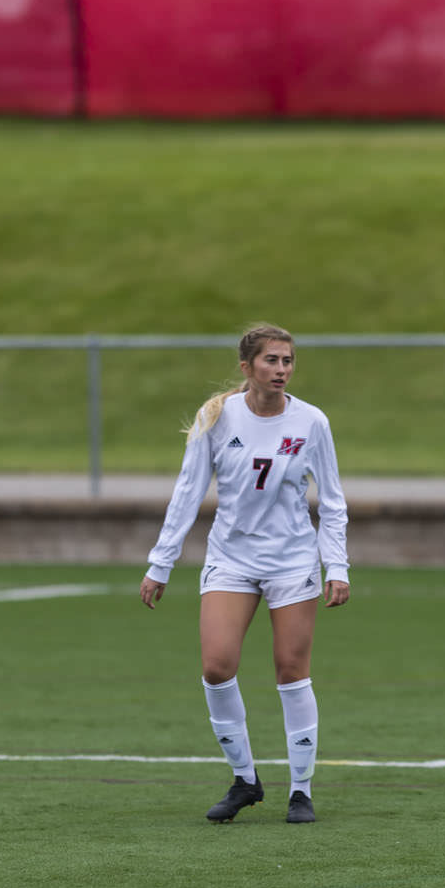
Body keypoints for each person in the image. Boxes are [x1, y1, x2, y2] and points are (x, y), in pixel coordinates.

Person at [139, 324, 349, 825]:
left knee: (291, 671)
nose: (282, 370)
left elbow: (334, 501)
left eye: (288, 361)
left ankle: (300, 790)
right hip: (231, 559)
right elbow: (188, 491)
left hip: (292, 559)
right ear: (247, 367)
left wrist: (335, 565)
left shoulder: (312, 422)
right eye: (272, 361)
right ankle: (245, 779)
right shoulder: (216, 416)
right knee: (216, 666)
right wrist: (160, 562)